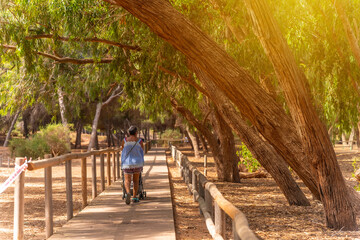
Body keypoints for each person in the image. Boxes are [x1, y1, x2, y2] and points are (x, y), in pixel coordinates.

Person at [121, 126, 144, 205]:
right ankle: (134, 196)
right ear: (136, 133)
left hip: (127, 163)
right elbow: (142, 150)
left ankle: (128, 193)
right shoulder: (139, 141)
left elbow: (122, 149)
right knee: (136, 180)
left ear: (129, 133)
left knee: (127, 180)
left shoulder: (124, 140)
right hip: (137, 163)